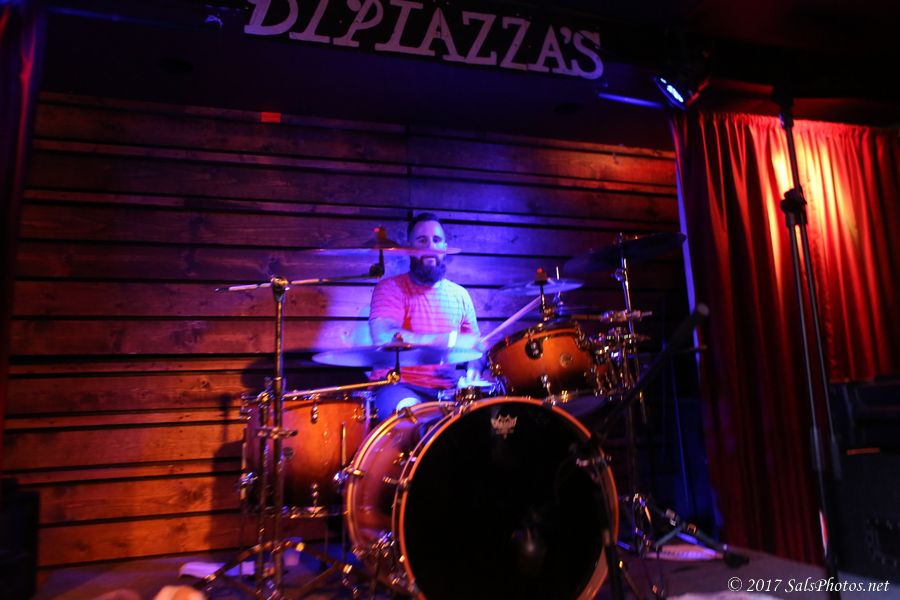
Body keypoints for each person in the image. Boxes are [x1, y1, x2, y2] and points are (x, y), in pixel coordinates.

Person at [369, 212, 481, 419]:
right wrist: (445, 340)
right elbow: (384, 336)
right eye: (422, 240)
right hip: (398, 386)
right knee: (415, 417)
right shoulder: (390, 288)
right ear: (409, 248)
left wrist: (473, 371)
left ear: (444, 248)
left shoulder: (461, 295)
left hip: (447, 391)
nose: (430, 246)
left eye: (436, 240)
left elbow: (476, 347)